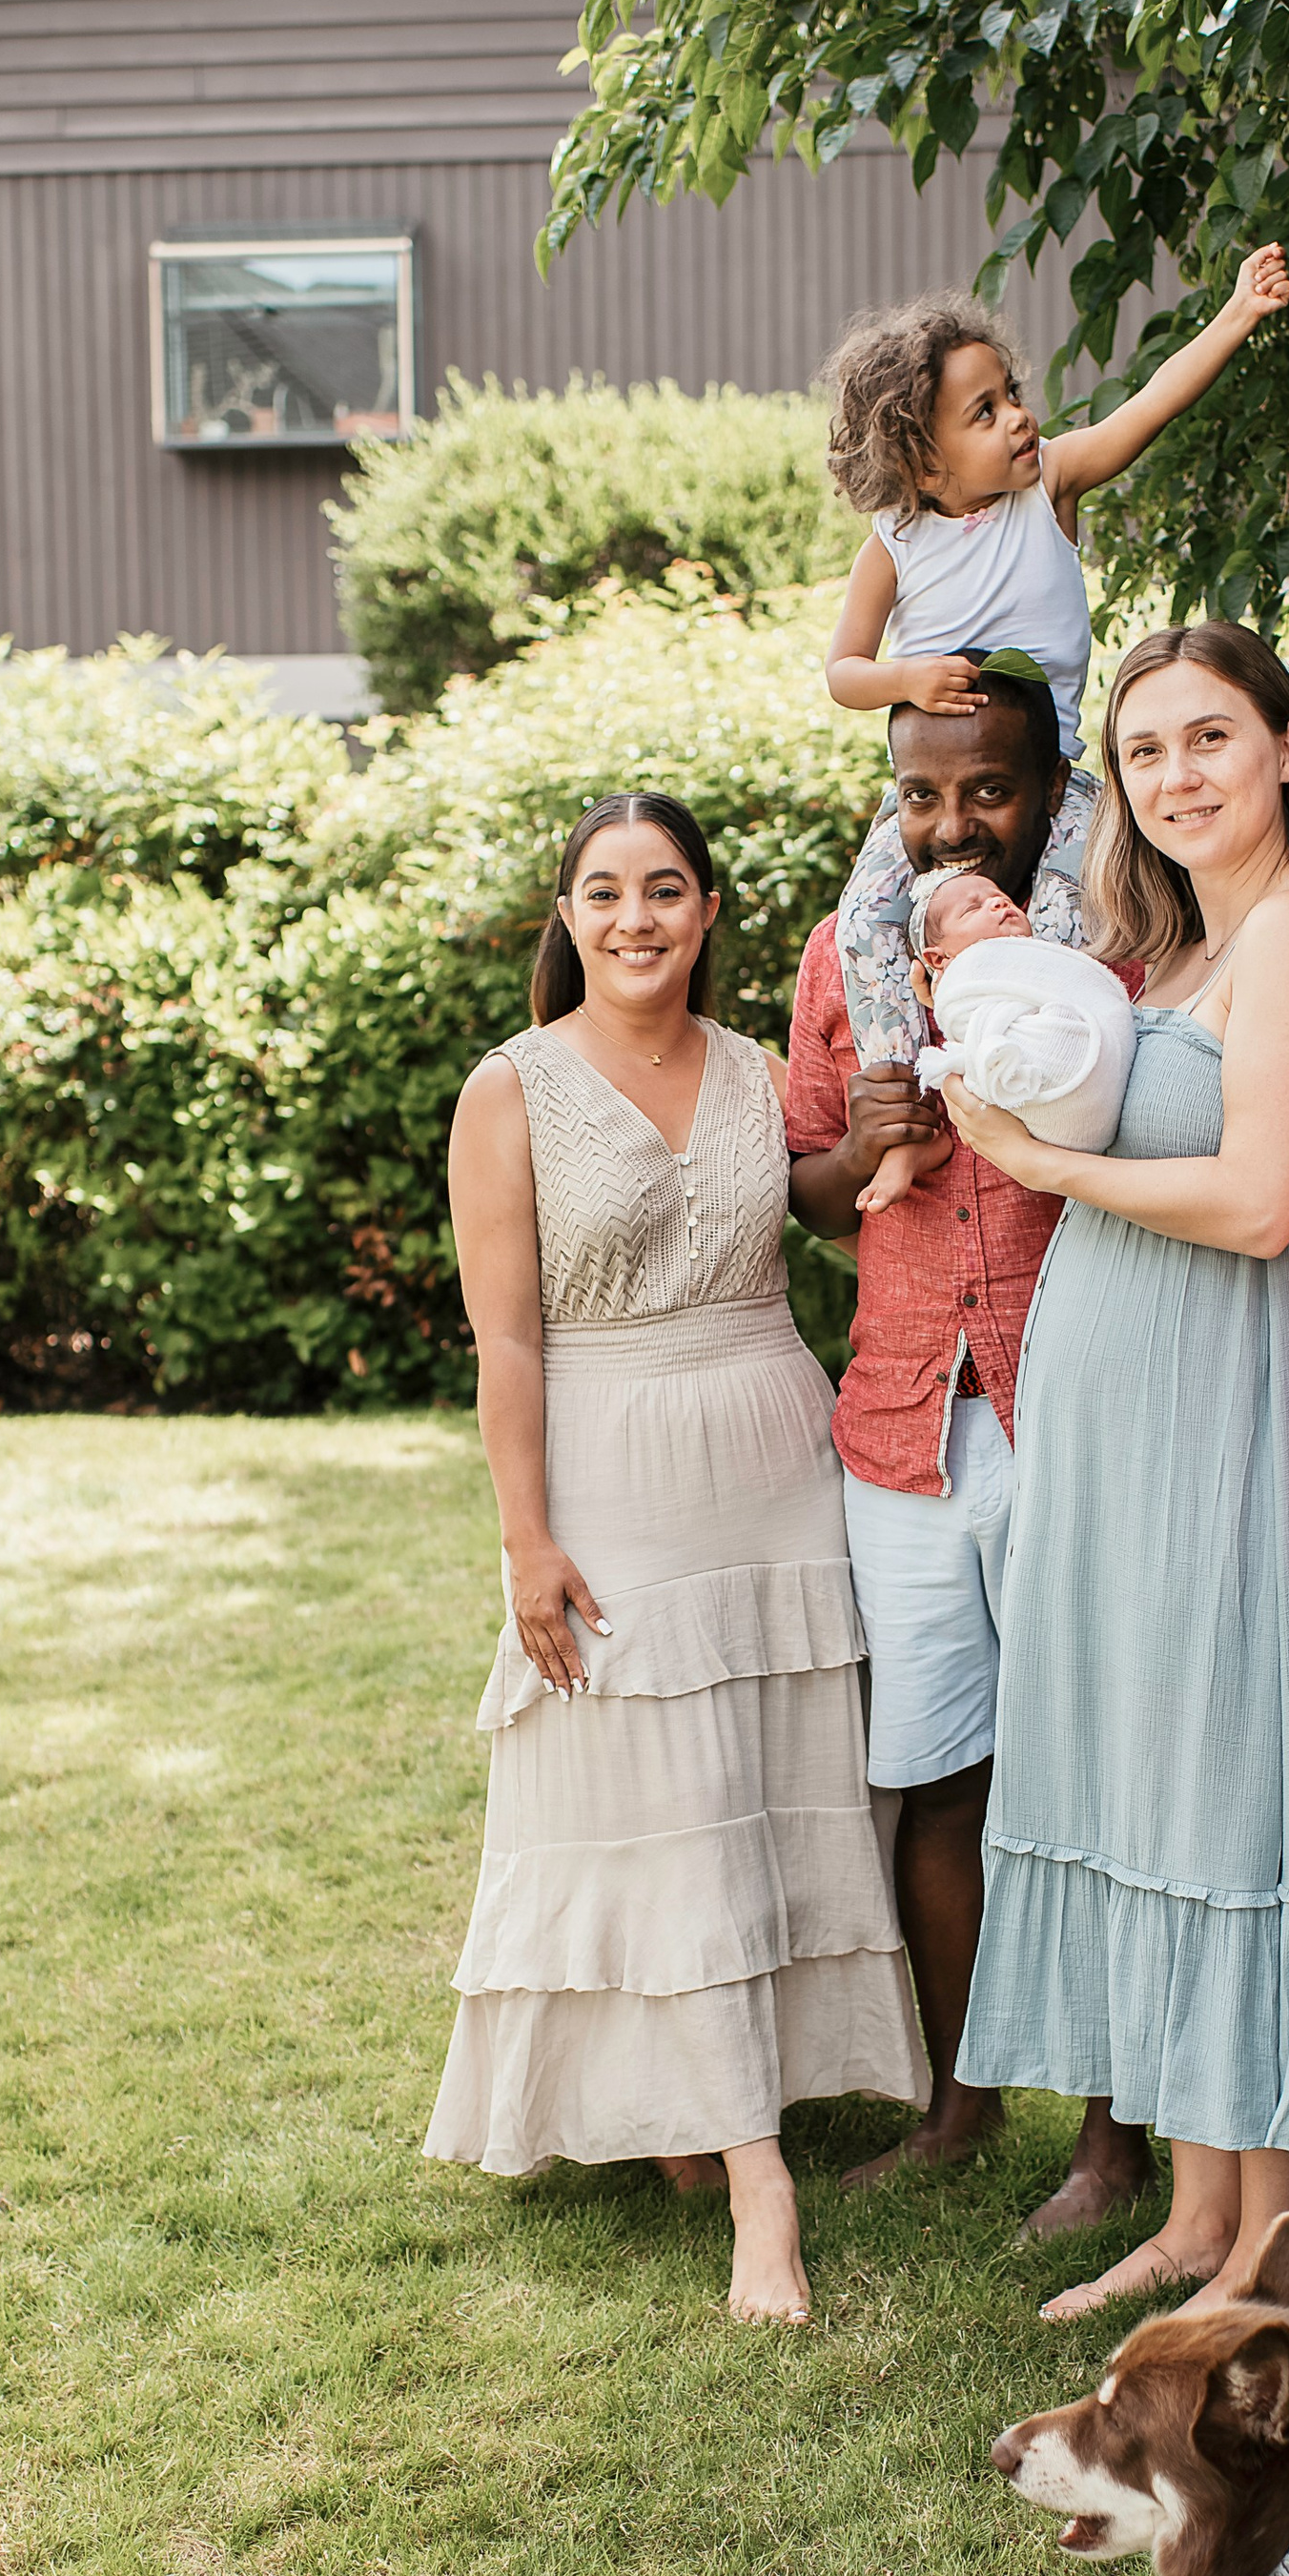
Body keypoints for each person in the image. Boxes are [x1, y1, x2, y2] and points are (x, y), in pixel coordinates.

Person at [425, 791, 927, 2326]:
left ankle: (716, 2105)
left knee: (768, 1775)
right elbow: (505, 1333)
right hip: (614, 1455)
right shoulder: (509, 1091)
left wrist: (877, 1145)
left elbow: (814, 1210)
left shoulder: (759, 1071)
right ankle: (758, 2181)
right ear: (565, 917)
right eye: (603, 892)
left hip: (773, 1448)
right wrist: (525, 1536)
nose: (634, 918)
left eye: (664, 891)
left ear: (709, 911)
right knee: (667, 1797)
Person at [945, 622, 1289, 2319]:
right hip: (1121, 1431)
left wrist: (1037, 1158)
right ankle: (1198, 2221)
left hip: (1224, 1410)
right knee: (1154, 1783)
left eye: (1211, 738)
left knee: (1231, 1781)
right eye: (1145, 753)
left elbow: (1264, 1199)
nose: (1178, 776)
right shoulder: (1172, 951)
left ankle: (1271, 2252)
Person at [786, 672, 1154, 2233]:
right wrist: (862, 1151)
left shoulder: (1111, 936)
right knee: (941, 1781)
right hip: (901, 1429)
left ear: (1052, 778)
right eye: (922, 794)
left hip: (1067, 1409)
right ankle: (958, 2105)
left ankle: (1114, 2140)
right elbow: (800, 1188)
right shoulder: (848, 953)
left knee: (1100, 1782)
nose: (952, 826)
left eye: (988, 791)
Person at [821, 254, 1289, 1209]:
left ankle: (1059, 1081)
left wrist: (1238, 313)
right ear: (919, 458)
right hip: (931, 796)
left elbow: (1147, 409)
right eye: (985, 414)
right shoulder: (894, 544)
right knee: (866, 927)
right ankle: (913, 1106)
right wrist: (907, 676)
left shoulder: (1051, 489)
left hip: (1061, 783)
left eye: (1012, 395)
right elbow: (842, 672)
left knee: (1076, 919)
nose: (1020, 419)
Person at [908, 865, 1137, 1155]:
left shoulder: (1035, 958)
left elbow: (1079, 993)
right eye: (973, 908)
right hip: (1032, 1078)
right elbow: (966, 1019)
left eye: (1002, 898)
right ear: (939, 959)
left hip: (1103, 1074)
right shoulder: (962, 981)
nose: (998, 902)